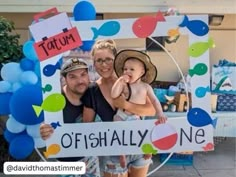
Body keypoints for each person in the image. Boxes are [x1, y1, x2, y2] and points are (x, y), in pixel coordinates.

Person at [81, 39, 156, 177]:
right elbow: (87, 126)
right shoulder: (91, 90)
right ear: (93, 63)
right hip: (112, 150)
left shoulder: (133, 81)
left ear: (116, 61)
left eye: (108, 59)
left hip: (139, 145)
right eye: (99, 60)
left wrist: (126, 105)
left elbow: (151, 110)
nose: (104, 65)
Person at [40, 57, 100, 177]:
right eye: (73, 77)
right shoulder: (55, 100)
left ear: (88, 75)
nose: (80, 81)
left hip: (91, 159)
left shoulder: (96, 94)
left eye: (83, 74)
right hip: (64, 164)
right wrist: (44, 130)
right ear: (64, 79)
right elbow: (47, 126)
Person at [111, 49, 167, 169]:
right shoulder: (124, 85)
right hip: (122, 114)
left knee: (142, 132)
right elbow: (113, 94)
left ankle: (147, 149)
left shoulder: (146, 87)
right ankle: (122, 154)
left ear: (141, 72)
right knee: (117, 126)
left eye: (132, 69)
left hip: (136, 117)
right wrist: (119, 81)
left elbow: (154, 101)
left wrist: (160, 113)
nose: (127, 71)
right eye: (125, 69)